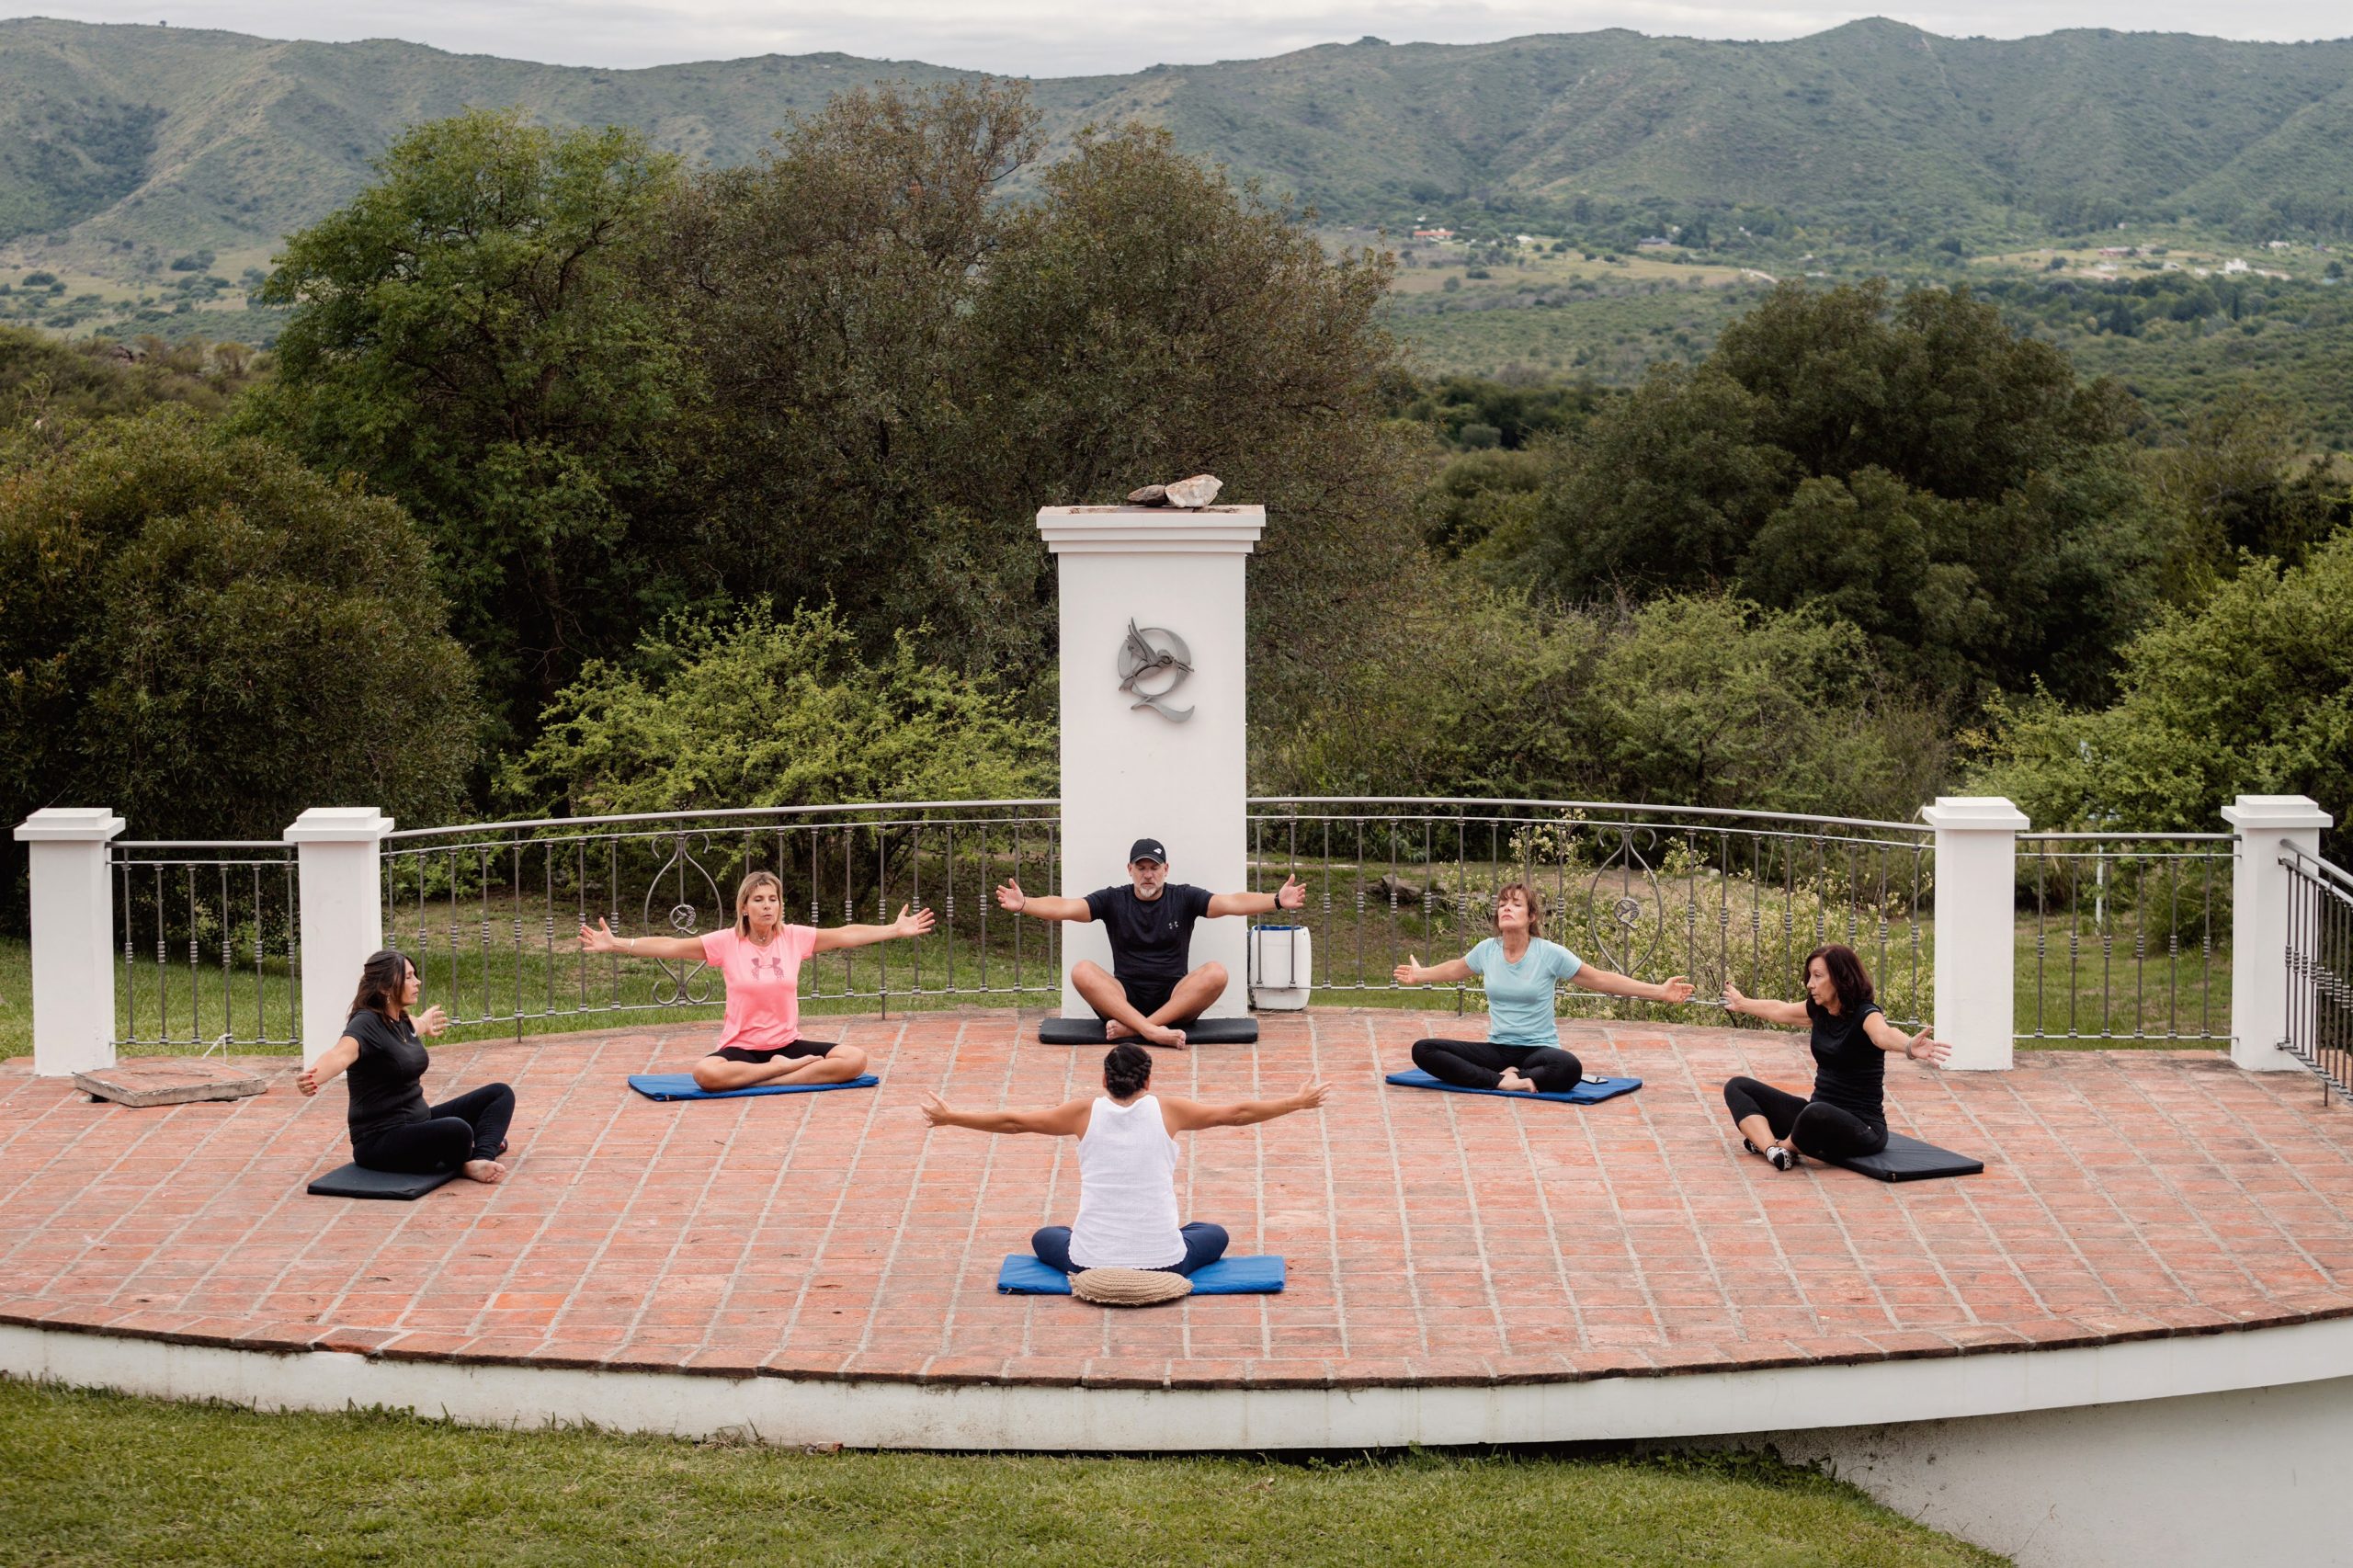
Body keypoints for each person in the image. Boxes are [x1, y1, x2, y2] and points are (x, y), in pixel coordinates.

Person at [918, 1042, 1328, 1274]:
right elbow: (1235, 1114)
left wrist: (952, 1117)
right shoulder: (1169, 1110)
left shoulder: (1082, 1113)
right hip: (1166, 1264)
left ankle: (1116, 1239)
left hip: (1088, 1263)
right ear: (1148, 1080)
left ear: (1104, 1079)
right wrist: (1296, 1102)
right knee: (1213, 1233)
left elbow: (1014, 1122)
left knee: (1047, 1236)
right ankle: (1153, 1237)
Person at [578, 869, 933, 1091]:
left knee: (855, 1059)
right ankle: (784, 1072)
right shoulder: (726, 942)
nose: (767, 906)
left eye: (773, 899)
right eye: (759, 900)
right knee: (705, 1074)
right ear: (744, 908)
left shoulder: (794, 937)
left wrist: (894, 930)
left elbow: (844, 934)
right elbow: (671, 945)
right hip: (742, 1049)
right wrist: (618, 944)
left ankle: (778, 1073)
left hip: (787, 1046)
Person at [994, 835, 1304, 1048]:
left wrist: (1276, 900)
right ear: (1130, 870)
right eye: (1141, 868)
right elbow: (1066, 907)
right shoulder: (1113, 899)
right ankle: (1152, 1031)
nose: (1147, 875)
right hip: (1123, 1001)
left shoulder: (1184, 897)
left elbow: (1231, 902)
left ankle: (1139, 1029)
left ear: (1165, 870)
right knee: (1081, 971)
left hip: (1175, 1001)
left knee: (1217, 973)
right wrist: (1025, 904)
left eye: (1154, 868)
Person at [1391, 881, 1696, 1092]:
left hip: (1538, 1051)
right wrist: (1421, 975)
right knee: (1424, 1049)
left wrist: (1659, 991)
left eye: (1516, 904)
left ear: (1532, 915)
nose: (1506, 908)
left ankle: (1513, 1076)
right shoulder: (1486, 950)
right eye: (1502, 904)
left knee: (1568, 1067)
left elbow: (1601, 979)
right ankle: (1501, 1080)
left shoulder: (1549, 954)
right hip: (1498, 1050)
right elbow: (1454, 969)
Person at [1721, 942, 1952, 1168]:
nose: (1810, 984)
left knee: (1815, 1112)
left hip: (1862, 1129)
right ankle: (1773, 1150)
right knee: (1738, 1086)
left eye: (1818, 976)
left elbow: (1883, 1035)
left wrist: (1909, 1046)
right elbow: (1779, 1009)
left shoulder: (1866, 1014)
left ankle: (1784, 1146)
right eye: (1810, 976)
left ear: (1841, 978)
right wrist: (1742, 1003)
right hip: (1815, 1119)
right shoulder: (1819, 1010)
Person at [298, 949, 515, 1184]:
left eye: (415, 975)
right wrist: (314, 1076)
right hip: (380, 1139)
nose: (417, 982)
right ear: (385, 987)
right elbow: (340, 1054)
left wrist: (425, 1024)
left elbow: (416, 1025)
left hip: (419, 1121)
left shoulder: (400, 1019)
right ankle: (469, 1159)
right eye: (409, 977)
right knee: (458, 1130)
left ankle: (480, 1158)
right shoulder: (366, 1024)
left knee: (500, 1094)